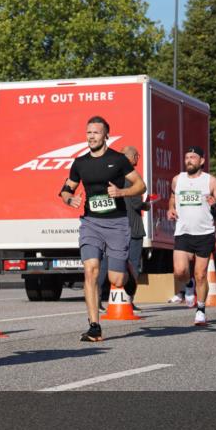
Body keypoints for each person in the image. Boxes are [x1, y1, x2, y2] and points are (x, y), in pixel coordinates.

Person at [59, 116, 147, 342]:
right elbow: (66, 189)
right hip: (91, 223)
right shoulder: (80, 163)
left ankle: (129, 277)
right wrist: (70, 200)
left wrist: (121, 193)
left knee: (116, 279)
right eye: (88, 132)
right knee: (91, 271)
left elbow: (140, 186)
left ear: (106, 135)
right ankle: (94, 326)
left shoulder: (118, 160)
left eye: (96, 132)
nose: (91, 136)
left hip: (117, 223)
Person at [168, 146, 216, 326]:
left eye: (193, 157)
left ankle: (201, 309)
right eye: (187, 157)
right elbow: (172, 197)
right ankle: (188, 284)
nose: (189, 160)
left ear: (201, 161)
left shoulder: (210, 181)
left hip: (204, 233)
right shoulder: (177, 180)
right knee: (180, 271)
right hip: (183, 232)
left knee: (201, 274)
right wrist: (171, 208)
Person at [121, 146, 149, 300]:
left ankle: (104, 298)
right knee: (133, 264)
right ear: (130, 157)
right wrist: (146, 205)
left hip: (119, 227)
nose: (137, 158)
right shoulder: (133, 178)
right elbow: (136, 204)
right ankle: (129, 299)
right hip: (134, 228)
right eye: (136, 155)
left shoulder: (115, 177)